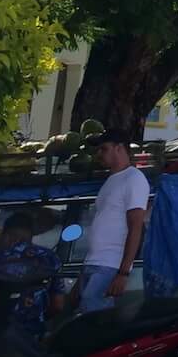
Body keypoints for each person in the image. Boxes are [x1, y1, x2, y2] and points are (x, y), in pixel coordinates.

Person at [0, 208, 67, 357]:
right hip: (35, 334)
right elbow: (58, 305)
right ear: (31, 235)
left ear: (6, 235)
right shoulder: (50, 258)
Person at [74, 128, 149, 313]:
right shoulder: (111, 180)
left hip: (110, 265)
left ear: (119, 148)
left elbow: (136, 227)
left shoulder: (134, 179)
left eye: (104, 149)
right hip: (94, 262)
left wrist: (123, 273)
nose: (99, 154)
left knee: (95, 323)